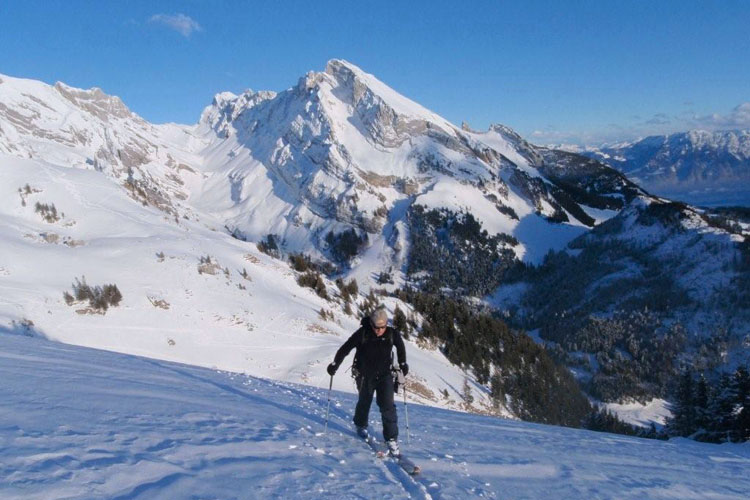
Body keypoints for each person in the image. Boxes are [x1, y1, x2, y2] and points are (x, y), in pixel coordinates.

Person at [327, 306, 408, 456]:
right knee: (365, 401)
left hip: (385, 375)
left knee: (388, 406)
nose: (379, 331)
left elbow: (400, 347)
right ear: (371, 324)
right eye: (376, 327)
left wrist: (403, 364)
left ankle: (391, 438)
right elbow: (346, 348)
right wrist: (335, 364)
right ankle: (360, 424)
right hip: (365, 375)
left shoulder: (391, 334)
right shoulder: (362, 333)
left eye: (382, 327)